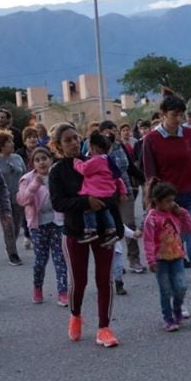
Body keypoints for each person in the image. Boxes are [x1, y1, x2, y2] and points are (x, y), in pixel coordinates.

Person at [143, 93, 191, 323]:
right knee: (173, 255)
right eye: (174, 115)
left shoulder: (189, 134)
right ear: (162, 115)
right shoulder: (151, 140)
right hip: (166, 204)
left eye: (181, 115)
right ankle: (178, 303)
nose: (178, 119)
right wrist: (155, 207)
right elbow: (151, 177)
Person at [49, 122, 123, 347]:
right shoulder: (57, 171)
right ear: (58, 146)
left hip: (104, 230)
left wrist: (115, 221)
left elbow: (113, 189)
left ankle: (104, 328)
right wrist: (85, 202)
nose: (74, 143)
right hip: (75, 231)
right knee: (78, 280)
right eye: (67, 140)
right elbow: (58, 203)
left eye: (76, 138)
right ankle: (76, 315)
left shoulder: (96, 160)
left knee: (105, 279)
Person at [17, 147, 68, 305]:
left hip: (57, 221)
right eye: (37, 160)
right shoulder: (27, 179)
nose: (41, 162)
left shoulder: (57, 175)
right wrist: (35, 185)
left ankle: (63, 292)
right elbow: (22, 200)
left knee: (60, 258)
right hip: (38, 224)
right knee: (41, 259)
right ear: (33, 163)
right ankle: (37, 287)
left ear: (50, 160)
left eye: (44, 158)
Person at [143, 181, 191, 332]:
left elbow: (190, 228)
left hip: (177, 256)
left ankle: (177, 309)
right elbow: (148, 240)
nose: (171, 204)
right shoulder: (152, 218)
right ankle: (168, 317)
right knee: (165, 290)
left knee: (181, 287)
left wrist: (183, 213)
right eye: (167, 201)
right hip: (161, 260)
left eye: (172, 200)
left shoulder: (175, 214)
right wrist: (151, 260)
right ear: (157, 201)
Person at [100, 121, 145, 269]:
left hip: (125, 191)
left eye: (114, 129)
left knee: (129, 223)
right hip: (106, 193)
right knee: (111, 227)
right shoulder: (96, 149)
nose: (112, 132)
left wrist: (146, 179)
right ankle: (114, 261)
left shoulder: (120, 147)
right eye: (109, 130)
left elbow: (130, 168)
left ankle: (134, 258)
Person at [72, 132, 126, 246]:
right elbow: (117, 178)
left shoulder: (96, 160)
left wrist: (77, 163)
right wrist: (122, 191)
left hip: (95, 193)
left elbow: (84, 169)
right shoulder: (109, 160)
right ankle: (111, 230)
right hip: (108, 194)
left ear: (94, 147)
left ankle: (91, 229)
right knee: (105, 212)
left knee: (88, 209)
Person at [0, 130, 27, 256]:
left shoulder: (17, 158)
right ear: (1, 145)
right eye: (9, 142)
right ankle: (13, 254)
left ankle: (10, 246)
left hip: (18, 197)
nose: (12, 144)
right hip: (2, 200)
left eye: (12, 141)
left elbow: (25, 175)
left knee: (17, 226)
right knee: (8, 226)